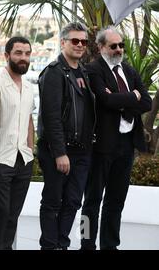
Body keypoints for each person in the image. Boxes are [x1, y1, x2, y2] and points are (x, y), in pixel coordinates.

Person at [80, 26, 152, 250]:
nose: (119, 49)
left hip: (127, 144)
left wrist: (122, 98)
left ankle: (110, 245)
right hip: (101, 146)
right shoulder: (93, 70)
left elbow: (147, 103)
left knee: (116, 201)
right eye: (113, 46)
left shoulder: (129, 71)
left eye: (121, 45)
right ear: (101, 47)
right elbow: (105, 100)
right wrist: (133, 97)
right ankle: (86, 244)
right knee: (91, 202)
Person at [37, 22, 96, 250]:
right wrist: (60, 153)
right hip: (58, 151)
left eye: (83, 41)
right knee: (52, 201)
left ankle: (62, 244)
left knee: (73, 201)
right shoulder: (54, 72)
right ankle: (49, 246)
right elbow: (51, 118)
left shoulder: (83, 72)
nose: (80, 45)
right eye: (75, 40)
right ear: (63, 42)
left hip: (82, 150)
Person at [0, 37, 35, 250]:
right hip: (0, 160)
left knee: (13, 215)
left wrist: (31, 149)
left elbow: (30, 120)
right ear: (6, 56)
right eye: (18, 53)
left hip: (23, 159)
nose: (23, 58)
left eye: (27, 53)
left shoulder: (30, 87)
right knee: (1, 212)